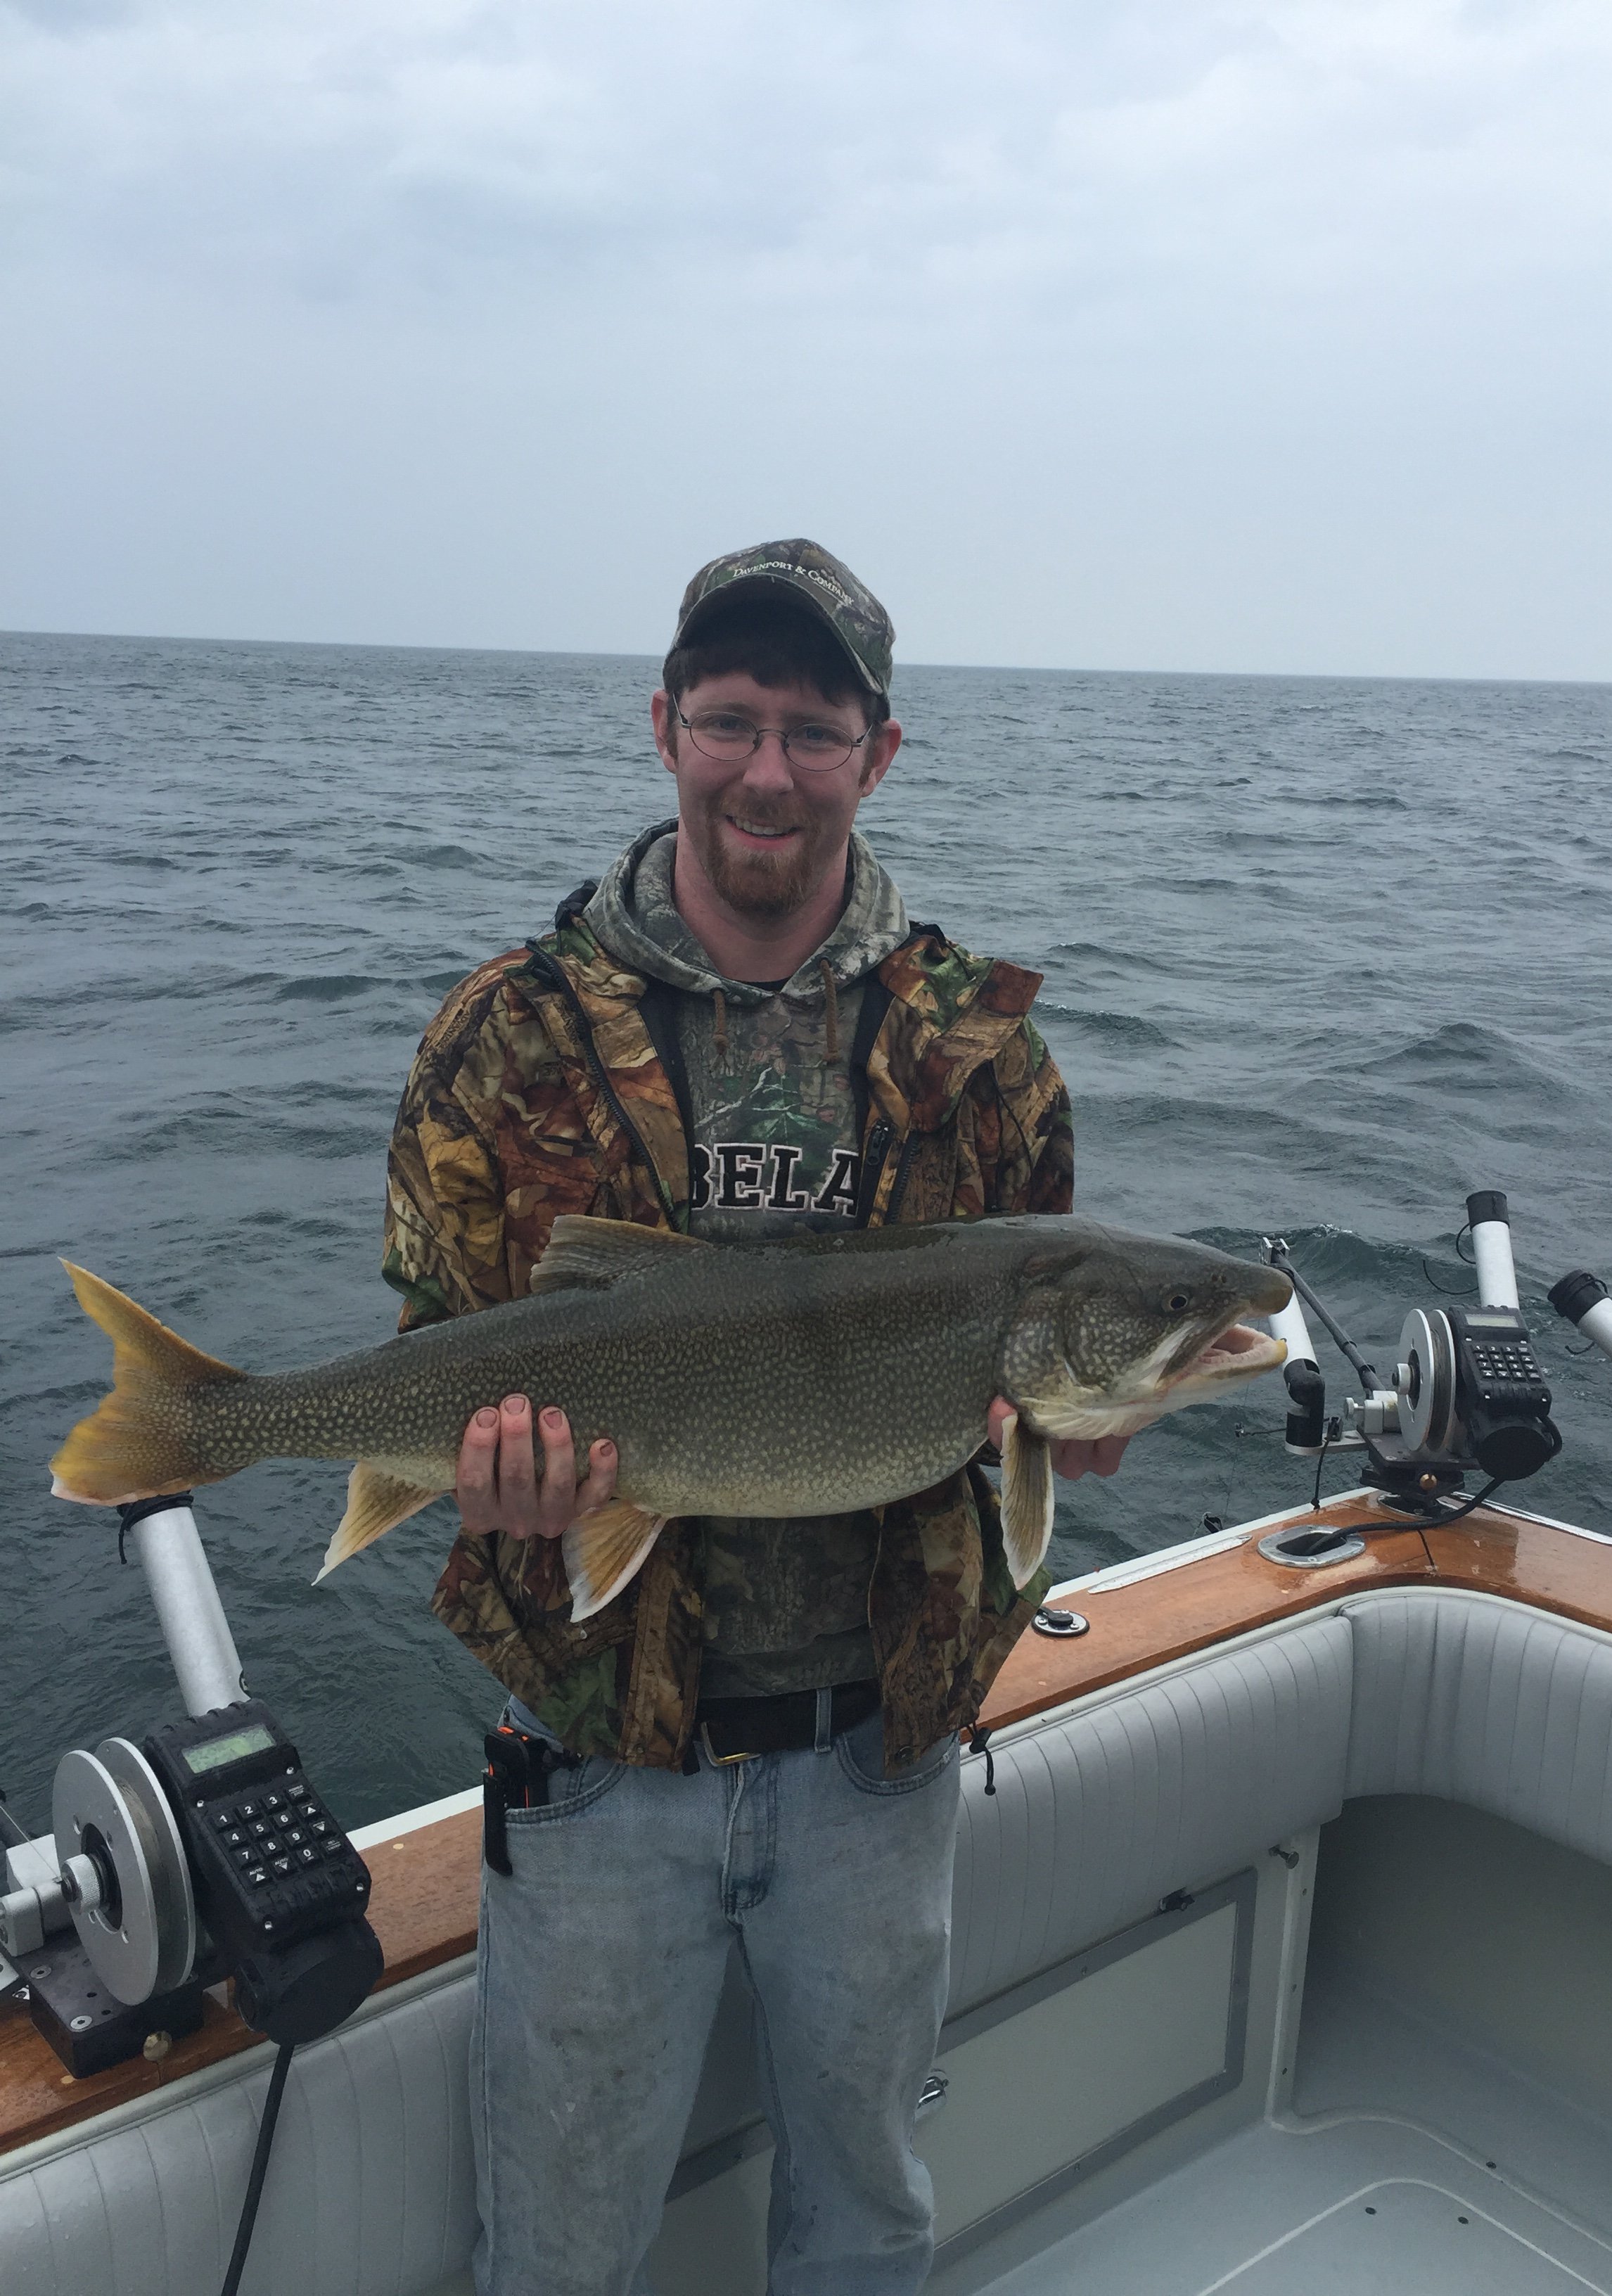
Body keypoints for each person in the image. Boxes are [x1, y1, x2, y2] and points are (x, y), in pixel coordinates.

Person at [383, 540, 1133, 2295]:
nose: (768, 770)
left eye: (813, 728)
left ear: (879, 753)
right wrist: (492, 1477)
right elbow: (434, 1330)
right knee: (559, 2249)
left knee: (868, 2221)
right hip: (592, 1774)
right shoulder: (507, 1035)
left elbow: (1056, 1376)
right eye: (731, 720)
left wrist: (1083, 1419)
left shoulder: (986, 1054)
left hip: (882, 1758)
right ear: (665, 727)